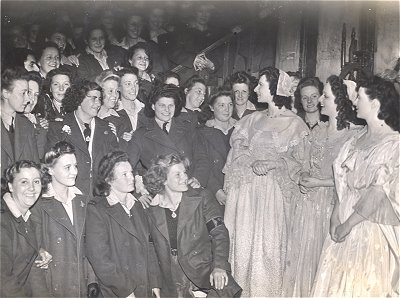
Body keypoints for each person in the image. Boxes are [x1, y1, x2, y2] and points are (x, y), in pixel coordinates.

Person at [223, 67, 309, 297]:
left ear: (275, 89)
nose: (256, 89)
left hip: (273, 196)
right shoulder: (251, 120)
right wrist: (251, 161)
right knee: (243, 245)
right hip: (247, 195)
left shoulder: (295, 124)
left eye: (261, 85)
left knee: (268, 248)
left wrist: (274, 164)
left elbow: (301, 164)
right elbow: (236, 153)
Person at [312, 76, 400, 297]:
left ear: (375, 103)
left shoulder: (394, 145)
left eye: (359, 97)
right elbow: (341, 185)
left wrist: (348, 225)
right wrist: (335, 217)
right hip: (343, 221)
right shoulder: (354, 141)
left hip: (369, 228)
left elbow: (378, 194)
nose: (354, 102)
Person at [286, 75, 361, 297]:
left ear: (339, 100)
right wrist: (303, 176)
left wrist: (319, 182)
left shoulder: (353, 134)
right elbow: (304, 162)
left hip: (332, 205)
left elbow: (350, 179)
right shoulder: (317, 131)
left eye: (325, 97)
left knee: (325, 261)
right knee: (303, 259)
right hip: (308, 205)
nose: (319, 101)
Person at [143, 153, 242, 297]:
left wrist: (220, 266)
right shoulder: (153, 210)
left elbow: (219, 233)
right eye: (178, 174)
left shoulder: (202, 197)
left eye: (184, 172)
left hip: (204, 274)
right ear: (163, 180)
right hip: (172, 282)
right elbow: (151, 249)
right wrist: (155, 283)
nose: (185, 177)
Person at [86, 151, 161, 297]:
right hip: (117, 291)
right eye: (124, 174)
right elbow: (100, 259)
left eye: (131, 172)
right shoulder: (97, 209)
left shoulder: (138, 206)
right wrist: (126, 290)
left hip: (143, 287)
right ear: (109, 179)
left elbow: (150, 246)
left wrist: (154, 282)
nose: (132, 177)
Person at [30, 141, 98, 297]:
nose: (74, 172)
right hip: (53, 287)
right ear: (50, 170)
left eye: (75, 166)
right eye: (67, 167)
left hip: (81, 286)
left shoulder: (83, 201)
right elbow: (34, 255)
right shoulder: (38, 204)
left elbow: (90, 246)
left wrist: (92, 280)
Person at [126, 84, 209, 203]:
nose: (167, 110)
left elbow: (202, 158)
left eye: (171, 105)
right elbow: (127, 167)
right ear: (154, 106)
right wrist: (138, 192)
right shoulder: (141, 135)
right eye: (162, 105)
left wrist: (198, 178)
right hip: (159, 197)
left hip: (188, 191)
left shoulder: (187, 128)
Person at [46, 80, 118, 195]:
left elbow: (113, 165)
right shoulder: (58, 128)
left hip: (99, 196)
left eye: (99, 99)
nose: (98, 103)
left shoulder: (107, 129)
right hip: (70, 194)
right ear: (79, 99)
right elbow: (51, 166)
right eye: (93, 98)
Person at [1, 160, 52, 297]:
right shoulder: (3, 220)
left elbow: (32, 271)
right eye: (24, 182)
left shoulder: (28, 218)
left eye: (36, 182)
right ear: (11, 186)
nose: (32, 188)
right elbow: (3, 281)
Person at [197, 90, 236, 205]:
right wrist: (217, 190)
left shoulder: (240, 130)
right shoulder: (202, 133)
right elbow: (202, 164)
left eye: (230, 105)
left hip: (237, 189)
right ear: (212, 108)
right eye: (221, 105)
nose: (227, 109)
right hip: (214, 192)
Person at [1, 67, 40, 171]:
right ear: (6, 93)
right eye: (23, 93)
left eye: (28, 93)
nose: (28, 99)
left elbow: (35, 168)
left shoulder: (27, 126)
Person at [22, 71, 49, 158]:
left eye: (36, 95)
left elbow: (40, 156)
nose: (32, 99)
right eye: (29, 92)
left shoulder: (39, 124)